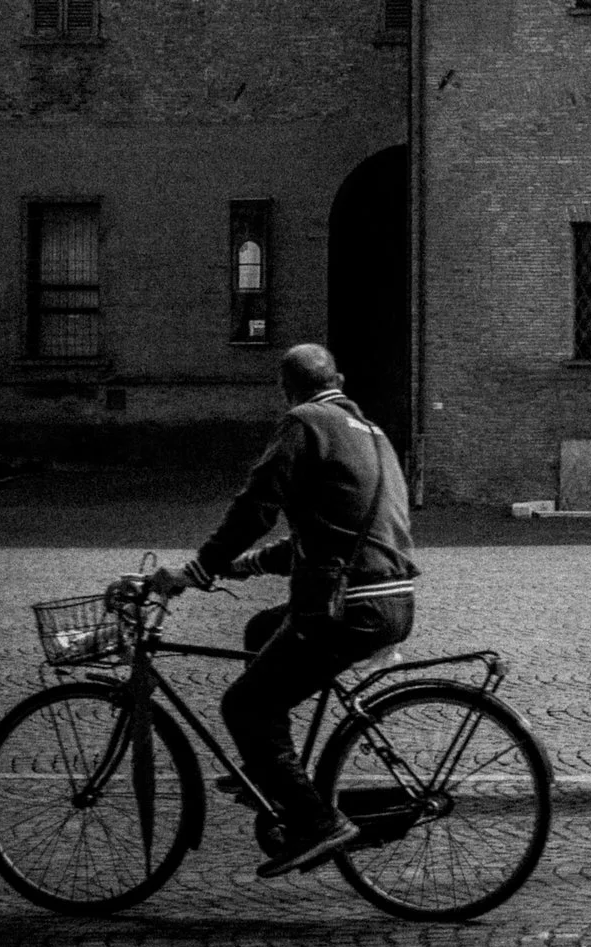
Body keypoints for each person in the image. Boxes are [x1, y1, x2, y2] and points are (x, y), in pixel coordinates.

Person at [147, 344, 418, 877]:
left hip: (345, 607)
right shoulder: (370, 432)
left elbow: (257, 504)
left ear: (285, 390)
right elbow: (341, 527)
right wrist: (250, 566)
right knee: (262, 628)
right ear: (337, 378)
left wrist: (198, 571)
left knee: (244, 708)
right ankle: (274, 768)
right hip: (389, 597)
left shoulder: (303, 423)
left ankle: (318, 821)